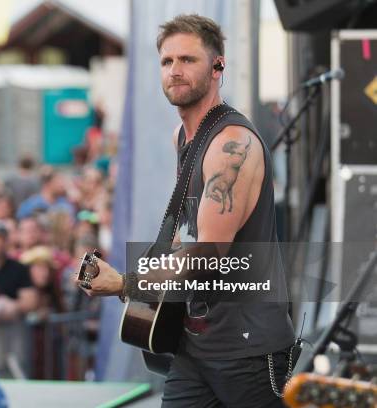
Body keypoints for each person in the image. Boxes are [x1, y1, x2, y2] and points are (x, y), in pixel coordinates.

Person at [76, 14, 295, 408]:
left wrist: (127, 284)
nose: (175, 70)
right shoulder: (183, 136)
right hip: (194, 345)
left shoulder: (233, 145)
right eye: (167, 61)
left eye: (188, 60)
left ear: (217, 66)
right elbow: (193, 233)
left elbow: (211, 254)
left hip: (247, 348)